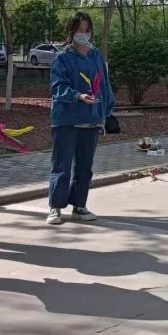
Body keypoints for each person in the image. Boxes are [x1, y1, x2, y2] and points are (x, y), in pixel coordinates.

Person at [46, 12, 116, 225]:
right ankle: (56, 207)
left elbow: (104, 85)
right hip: (66, 119)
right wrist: (78, 96)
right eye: (79, 31)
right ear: (71, 31)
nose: (83, 35)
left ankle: (79, 205)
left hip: (91, 118)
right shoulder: (62, 57)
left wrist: (106, 111)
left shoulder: (95, 55)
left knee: (85, 166)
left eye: (87, 31)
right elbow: (58, 87)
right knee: (62, 164)